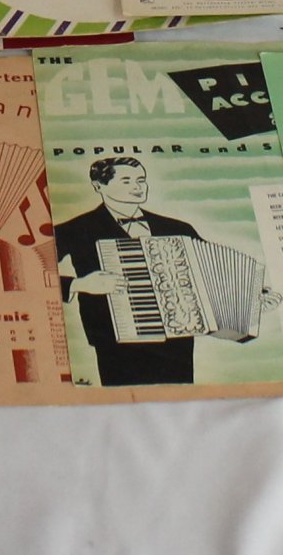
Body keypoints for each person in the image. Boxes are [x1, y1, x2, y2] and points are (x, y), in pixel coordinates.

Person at [56, 158, 202, 387]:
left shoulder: (177, 228)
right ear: (98, 186)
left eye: (141, 180)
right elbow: (29, 274)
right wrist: (79, 284)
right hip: (114, 341)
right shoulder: (75, 229)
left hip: (176, 341)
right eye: (126, 181)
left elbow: (211, 271)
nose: (137, 186)